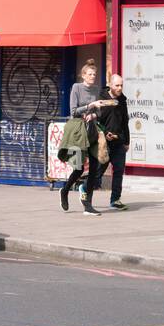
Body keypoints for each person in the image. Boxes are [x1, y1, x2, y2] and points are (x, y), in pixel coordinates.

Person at [61, 60, 108, 216]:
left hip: (92, 132)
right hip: (79, 133)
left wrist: (94, 113)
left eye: (94, 74)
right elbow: (73, 111)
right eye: (90, 74)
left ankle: (88, 205)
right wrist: (90, 106)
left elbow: (100, 112)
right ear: (83, 75)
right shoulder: (76, 88)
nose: (93, 76)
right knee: (79, 168)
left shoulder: (96, 89)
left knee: (94, 169)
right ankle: (65, 190)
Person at [98, 74, 130, 210]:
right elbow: (98, 121)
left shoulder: (122, 101)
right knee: (98, 171)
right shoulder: (102, 99)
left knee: (118, 171)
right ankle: (84, 188)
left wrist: (127, 141)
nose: (120, 88)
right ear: (110, 85)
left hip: (119, 142)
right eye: (117, 85)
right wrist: (106, 134)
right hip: (105, 142)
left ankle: (115, 200)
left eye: (121, 85)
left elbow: (125, 122)